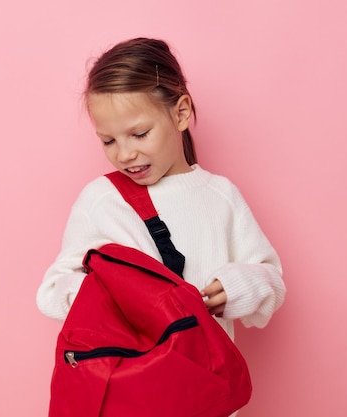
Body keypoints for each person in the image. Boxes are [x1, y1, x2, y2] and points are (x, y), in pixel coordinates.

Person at [37, 37, 285, 343]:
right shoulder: (101, 200)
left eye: (139, 134)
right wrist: (108, 297)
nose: (124, 154)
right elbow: (52, 291)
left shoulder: (221, 196)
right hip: (132, 384)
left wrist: (238, 287)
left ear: (180, 113)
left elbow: (272, 280)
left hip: (205, 384)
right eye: (108, 141)